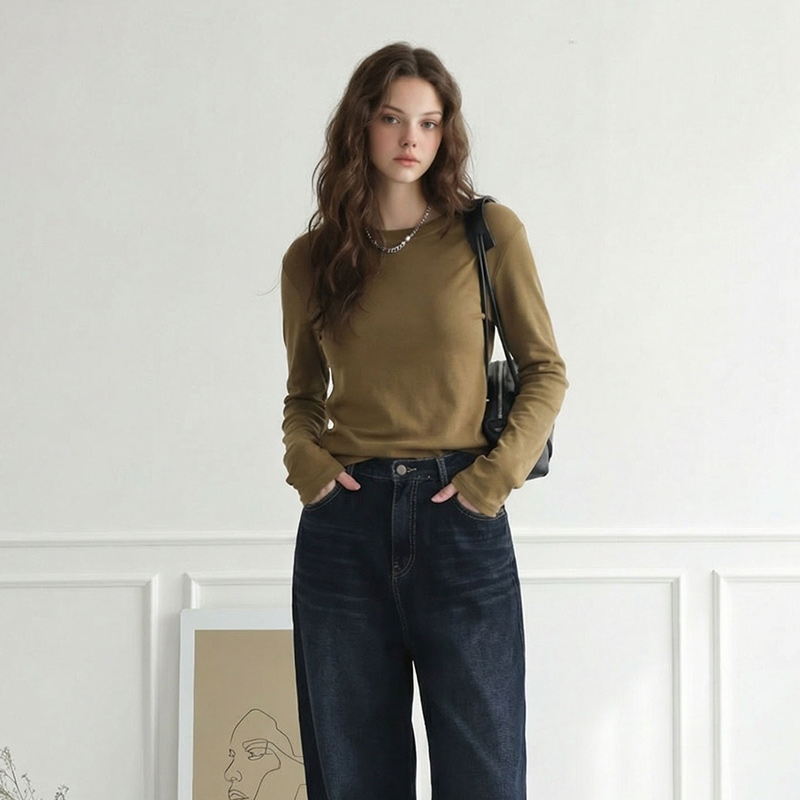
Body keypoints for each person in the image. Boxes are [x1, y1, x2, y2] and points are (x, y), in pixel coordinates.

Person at [280, 42, 567, 800]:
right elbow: (303, 395)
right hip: (344, 529)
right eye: (392, 118)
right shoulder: (311, 259)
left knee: (485, 777)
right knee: (352, 779)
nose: (412, 138)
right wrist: (309, 469)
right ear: (360, 126)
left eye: (430, 122)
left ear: (446, 133)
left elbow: (545, 371)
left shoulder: (487, 232)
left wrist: (490, 483)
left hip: (460, 522)